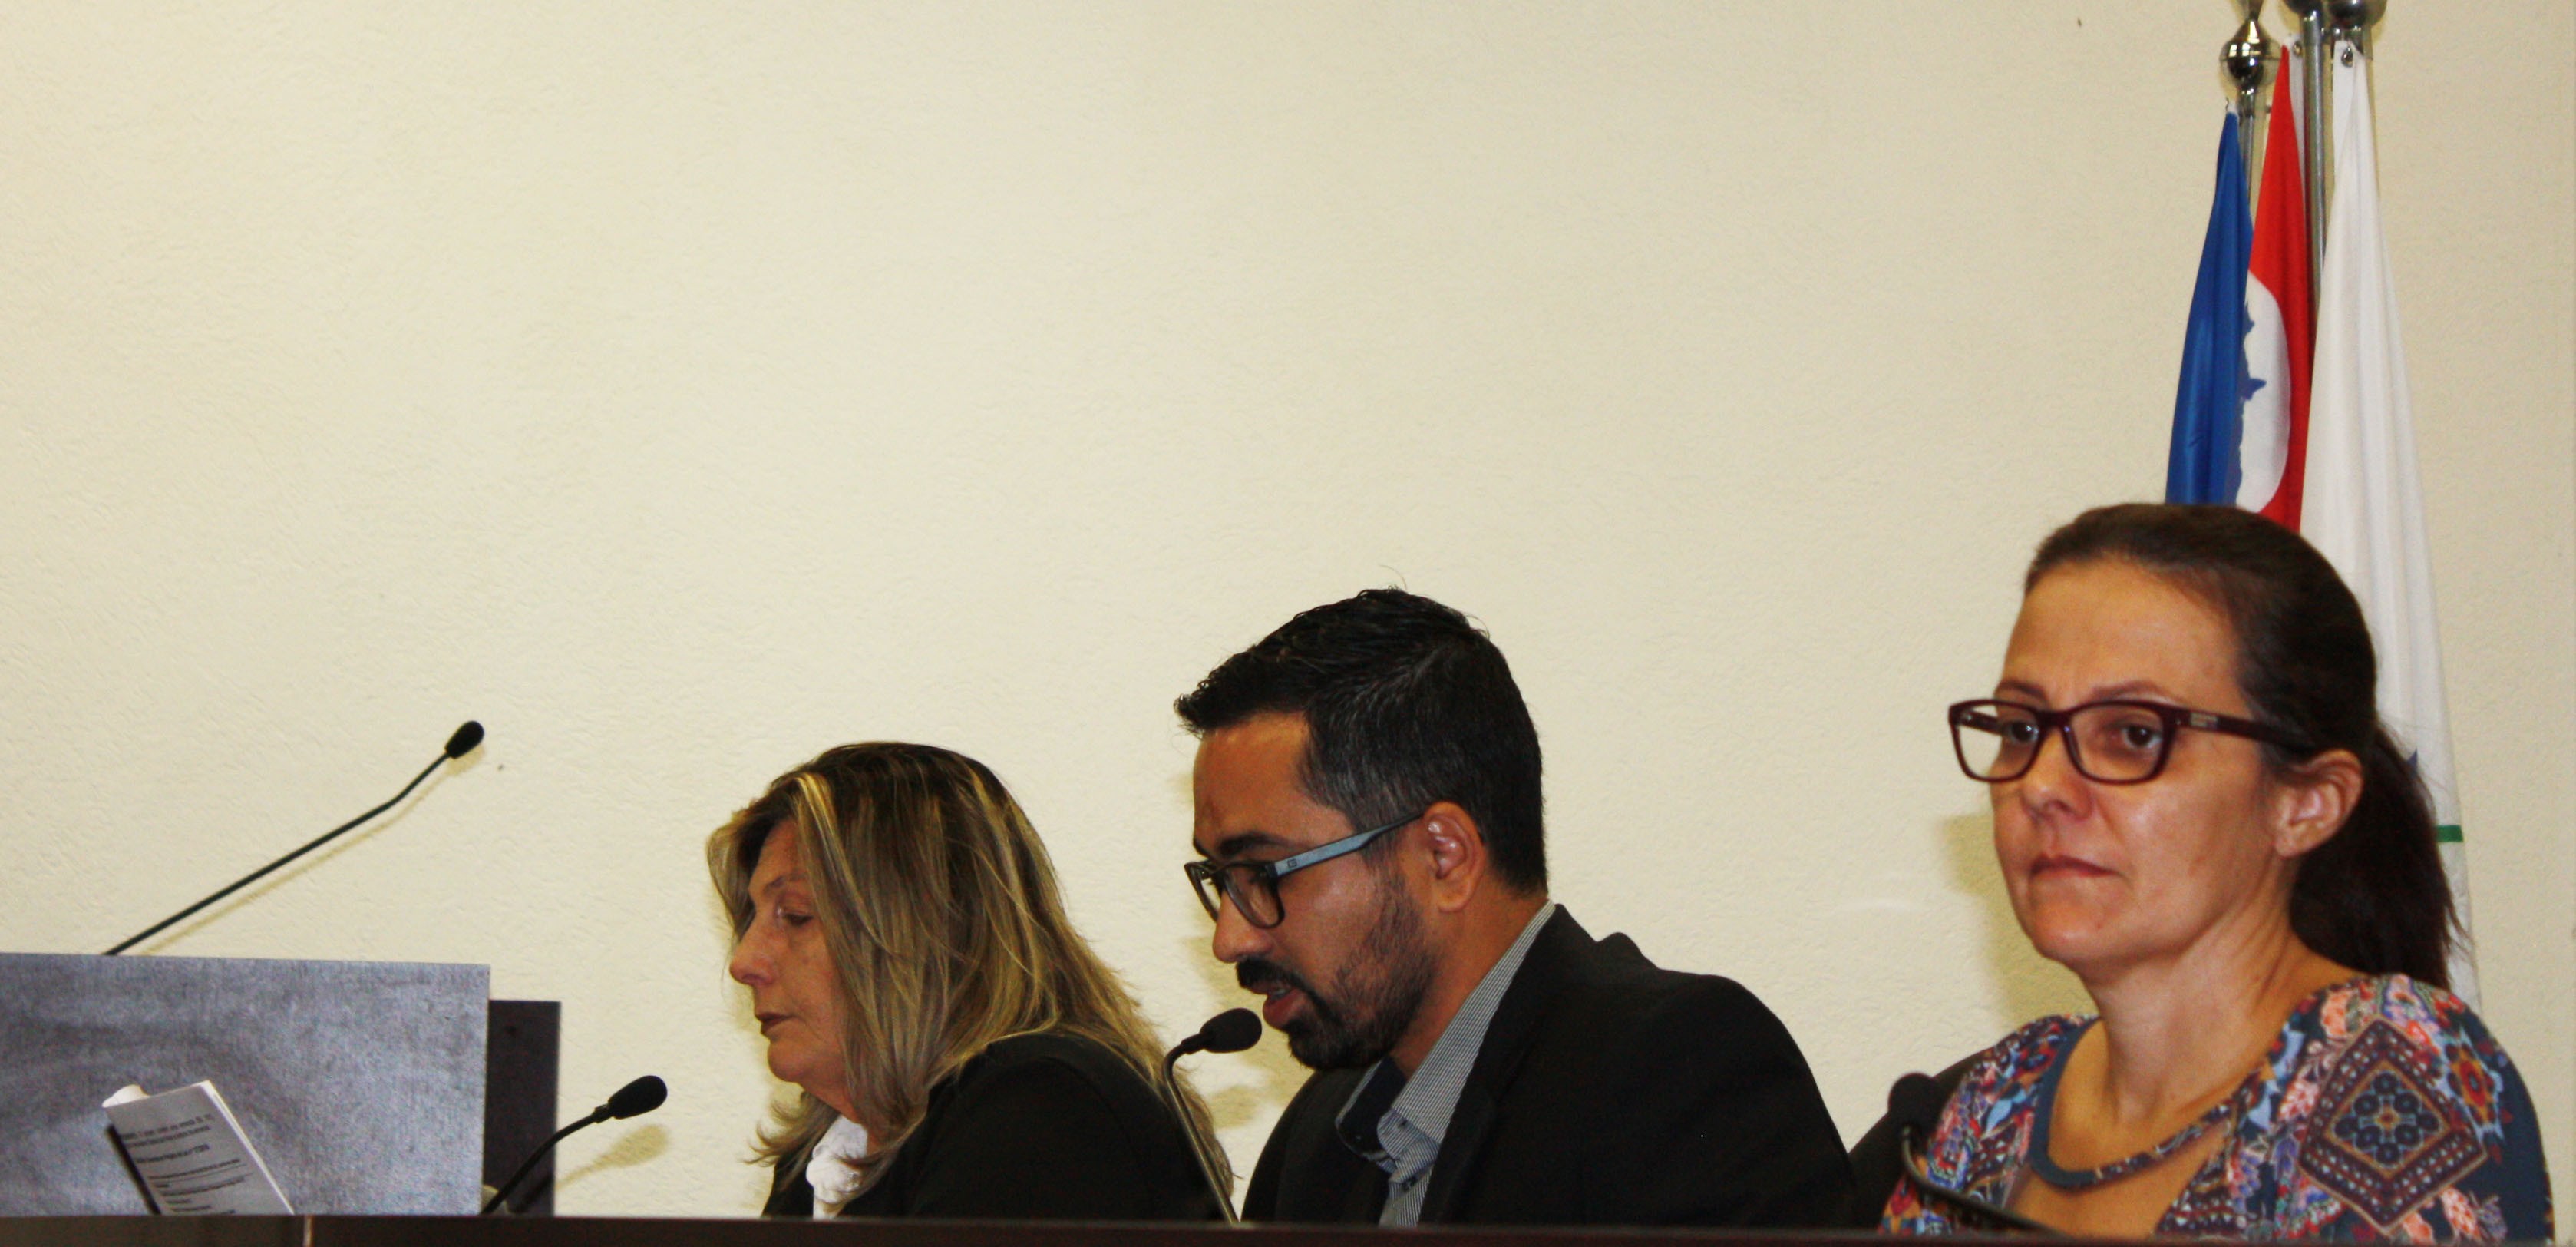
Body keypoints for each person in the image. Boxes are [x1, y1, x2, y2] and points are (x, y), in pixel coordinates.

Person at [1885, 504, 2552, 1240]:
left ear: (2305, 804)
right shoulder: (2000, 1099)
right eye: (2020, 728)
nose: (2040, 785)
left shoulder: (2386, 1068)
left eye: (2132, 734)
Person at [1177, 588, 1852, 1228]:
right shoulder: (1320, 1137)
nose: (1230, 939)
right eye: (1221, 880)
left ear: (1444, 857)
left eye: (1262, 873)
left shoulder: (1677, 1072)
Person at [711, 743, 1227, 1221]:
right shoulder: (820, 1159)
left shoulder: (1041, 1109)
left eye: (796, 915)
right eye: (752, 921)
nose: (745, 963)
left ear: (926, 930)